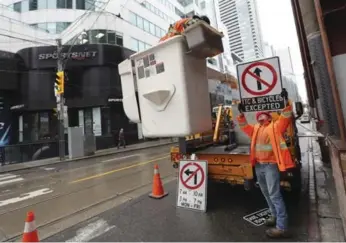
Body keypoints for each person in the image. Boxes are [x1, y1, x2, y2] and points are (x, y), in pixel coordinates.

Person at [237, 88, 295, 238]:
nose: (261, 116)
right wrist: (241, 114)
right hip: (259, 166)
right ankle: (274, 215)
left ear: (269, 117)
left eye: (264, 115)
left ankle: (282, 227)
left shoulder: (275, 127)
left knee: (274, 194)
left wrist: (286, 102)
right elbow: (244, 127)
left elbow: (285, 116)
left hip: (270, 166)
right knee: (266, 193)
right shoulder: (255, 129)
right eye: (259, 115)